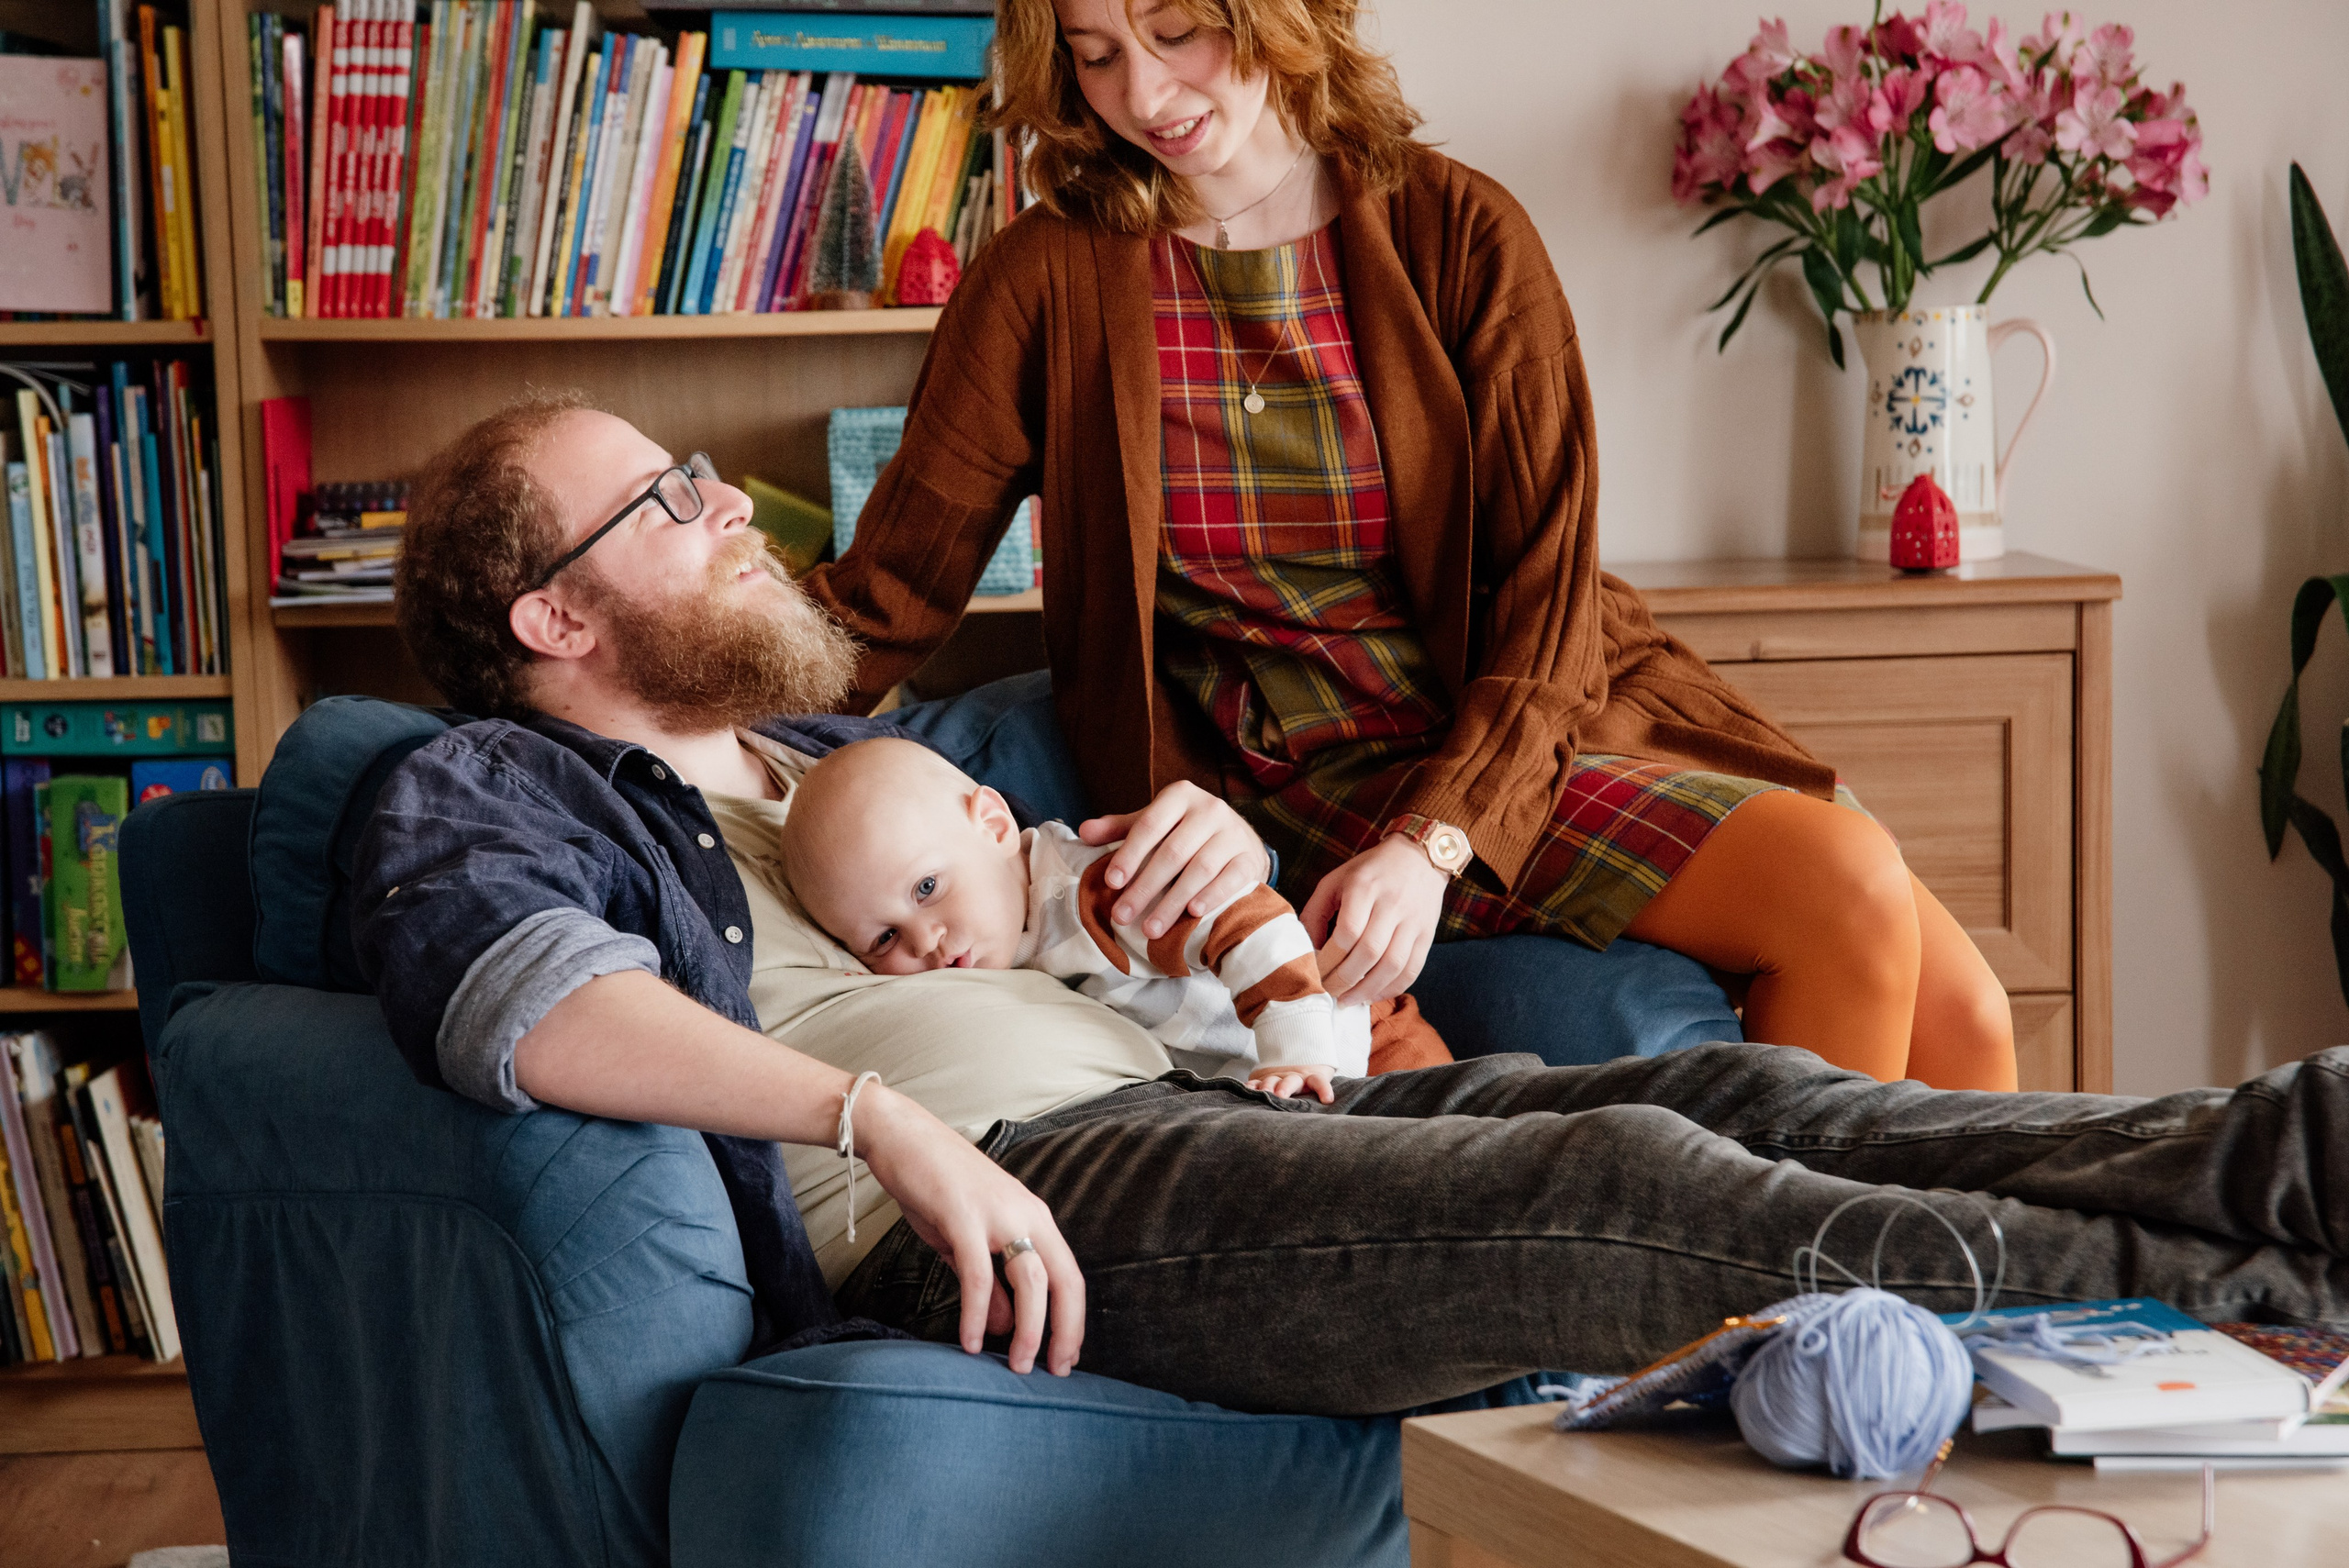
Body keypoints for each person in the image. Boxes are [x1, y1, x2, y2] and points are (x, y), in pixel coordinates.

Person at [357, 396, 2349, 1421]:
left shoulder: (815, 757)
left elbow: (1084, 904)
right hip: (1017, 1197)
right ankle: (2257, 1301)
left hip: (1195, 1098)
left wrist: (1195, 872)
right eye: (668, 500)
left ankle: (2282, 1152)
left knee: (1750, 1096)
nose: (726, 506)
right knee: (1621, 1175)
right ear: (554, 613)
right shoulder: (487, 784)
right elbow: (524, 1006)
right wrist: (872, 1119)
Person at [798, 0, 2014, 1091]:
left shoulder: (1463, 231)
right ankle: (1798, 1305)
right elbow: (890, 590)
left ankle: (1961, 1336)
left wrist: (1437, 844)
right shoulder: (1044, 277)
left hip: (1539, 704)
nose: (1144, 95)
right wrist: (655, 707)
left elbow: (1552, 597)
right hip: (1311, 763)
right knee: (1840, 889)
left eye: (1179, 34)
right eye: (1097, 54)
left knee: (1967, 1011)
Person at [777, 734, 1364, 1099]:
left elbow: (1250, 921)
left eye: (927, 887)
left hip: (1339, 1037)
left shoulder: (1096, 892)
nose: (926, 939)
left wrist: (1294, 1048)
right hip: (1260, 1090)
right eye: (884, 937)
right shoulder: (1002, 944)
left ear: (995, 826)